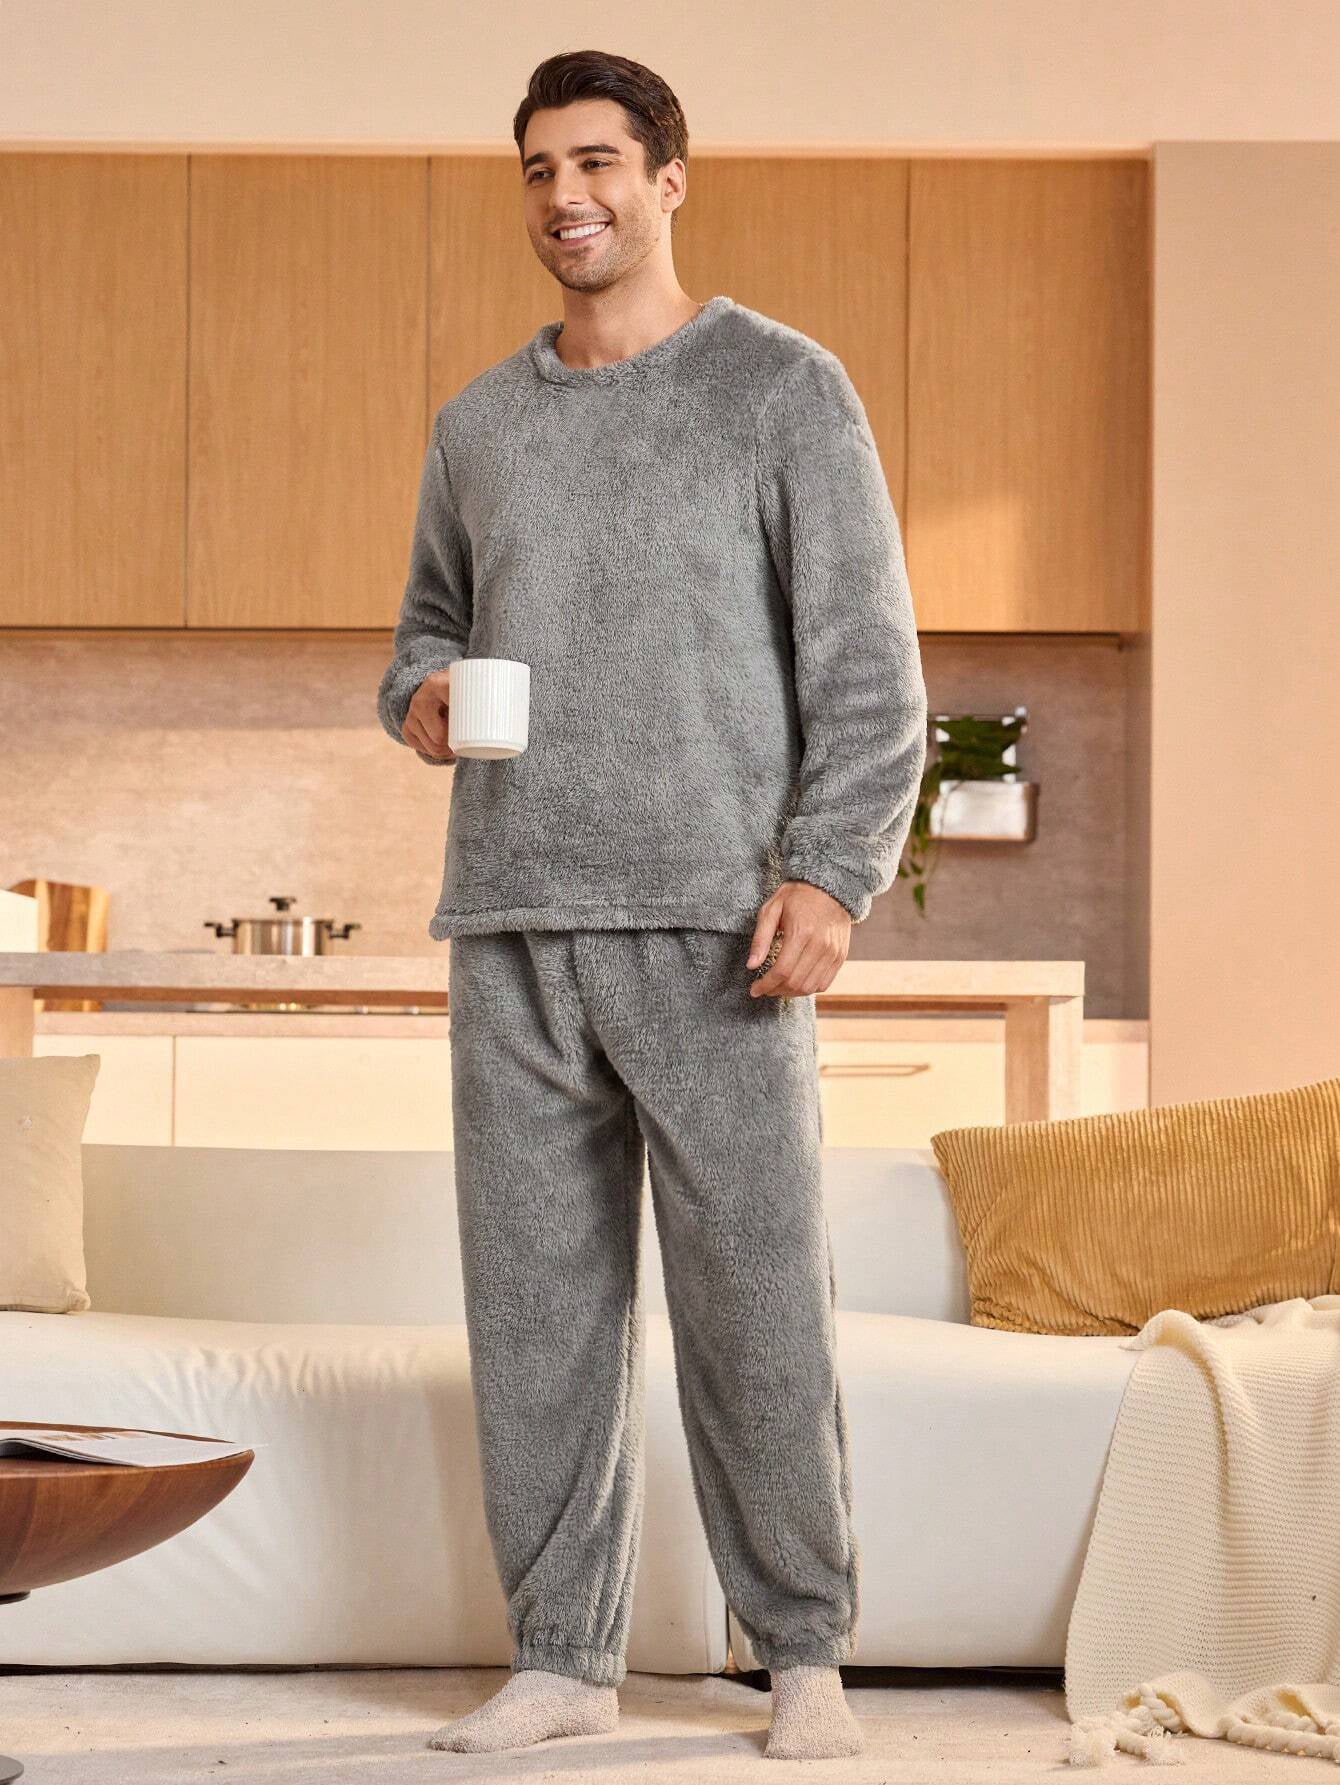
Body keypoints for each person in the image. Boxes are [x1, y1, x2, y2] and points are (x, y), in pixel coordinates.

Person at [376, 48, 928, 1762]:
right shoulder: (478, 425)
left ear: (669, 178)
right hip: (513, 922)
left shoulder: (782, 390)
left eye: (600, 162)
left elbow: (868, 666)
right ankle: (562, 1655)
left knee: (757, 1306)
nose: (570, 197)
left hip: (720, 934)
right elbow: (423, 632)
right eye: (542, 169)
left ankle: (806, 1649)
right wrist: (419, 697)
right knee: (537, 1317)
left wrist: (834, 868)